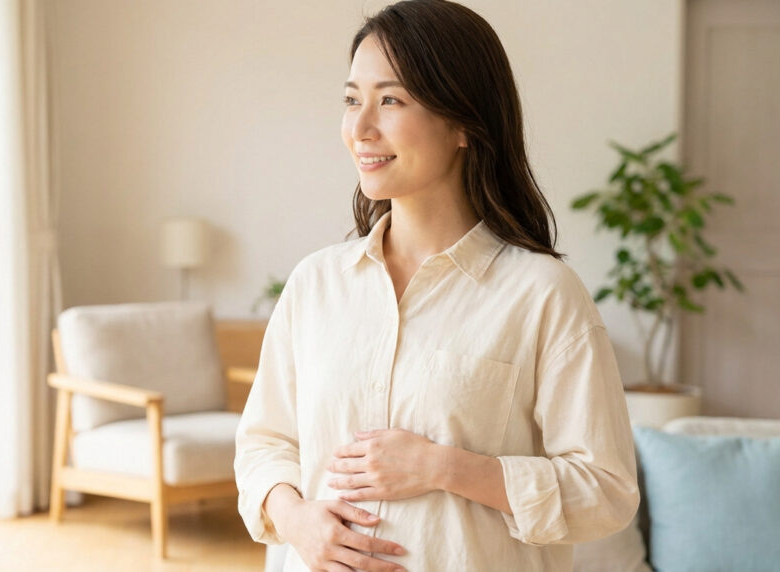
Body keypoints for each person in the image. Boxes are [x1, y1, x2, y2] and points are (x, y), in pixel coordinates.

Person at [234, 1, 639, 570]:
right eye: (353, 100)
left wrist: (445, 467)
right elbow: (264, 444)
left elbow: (606, 491)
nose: (360, 128)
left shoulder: (544, 295)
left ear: (464, 125)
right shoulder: (316, 284)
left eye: (390, 100)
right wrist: (297, 521)